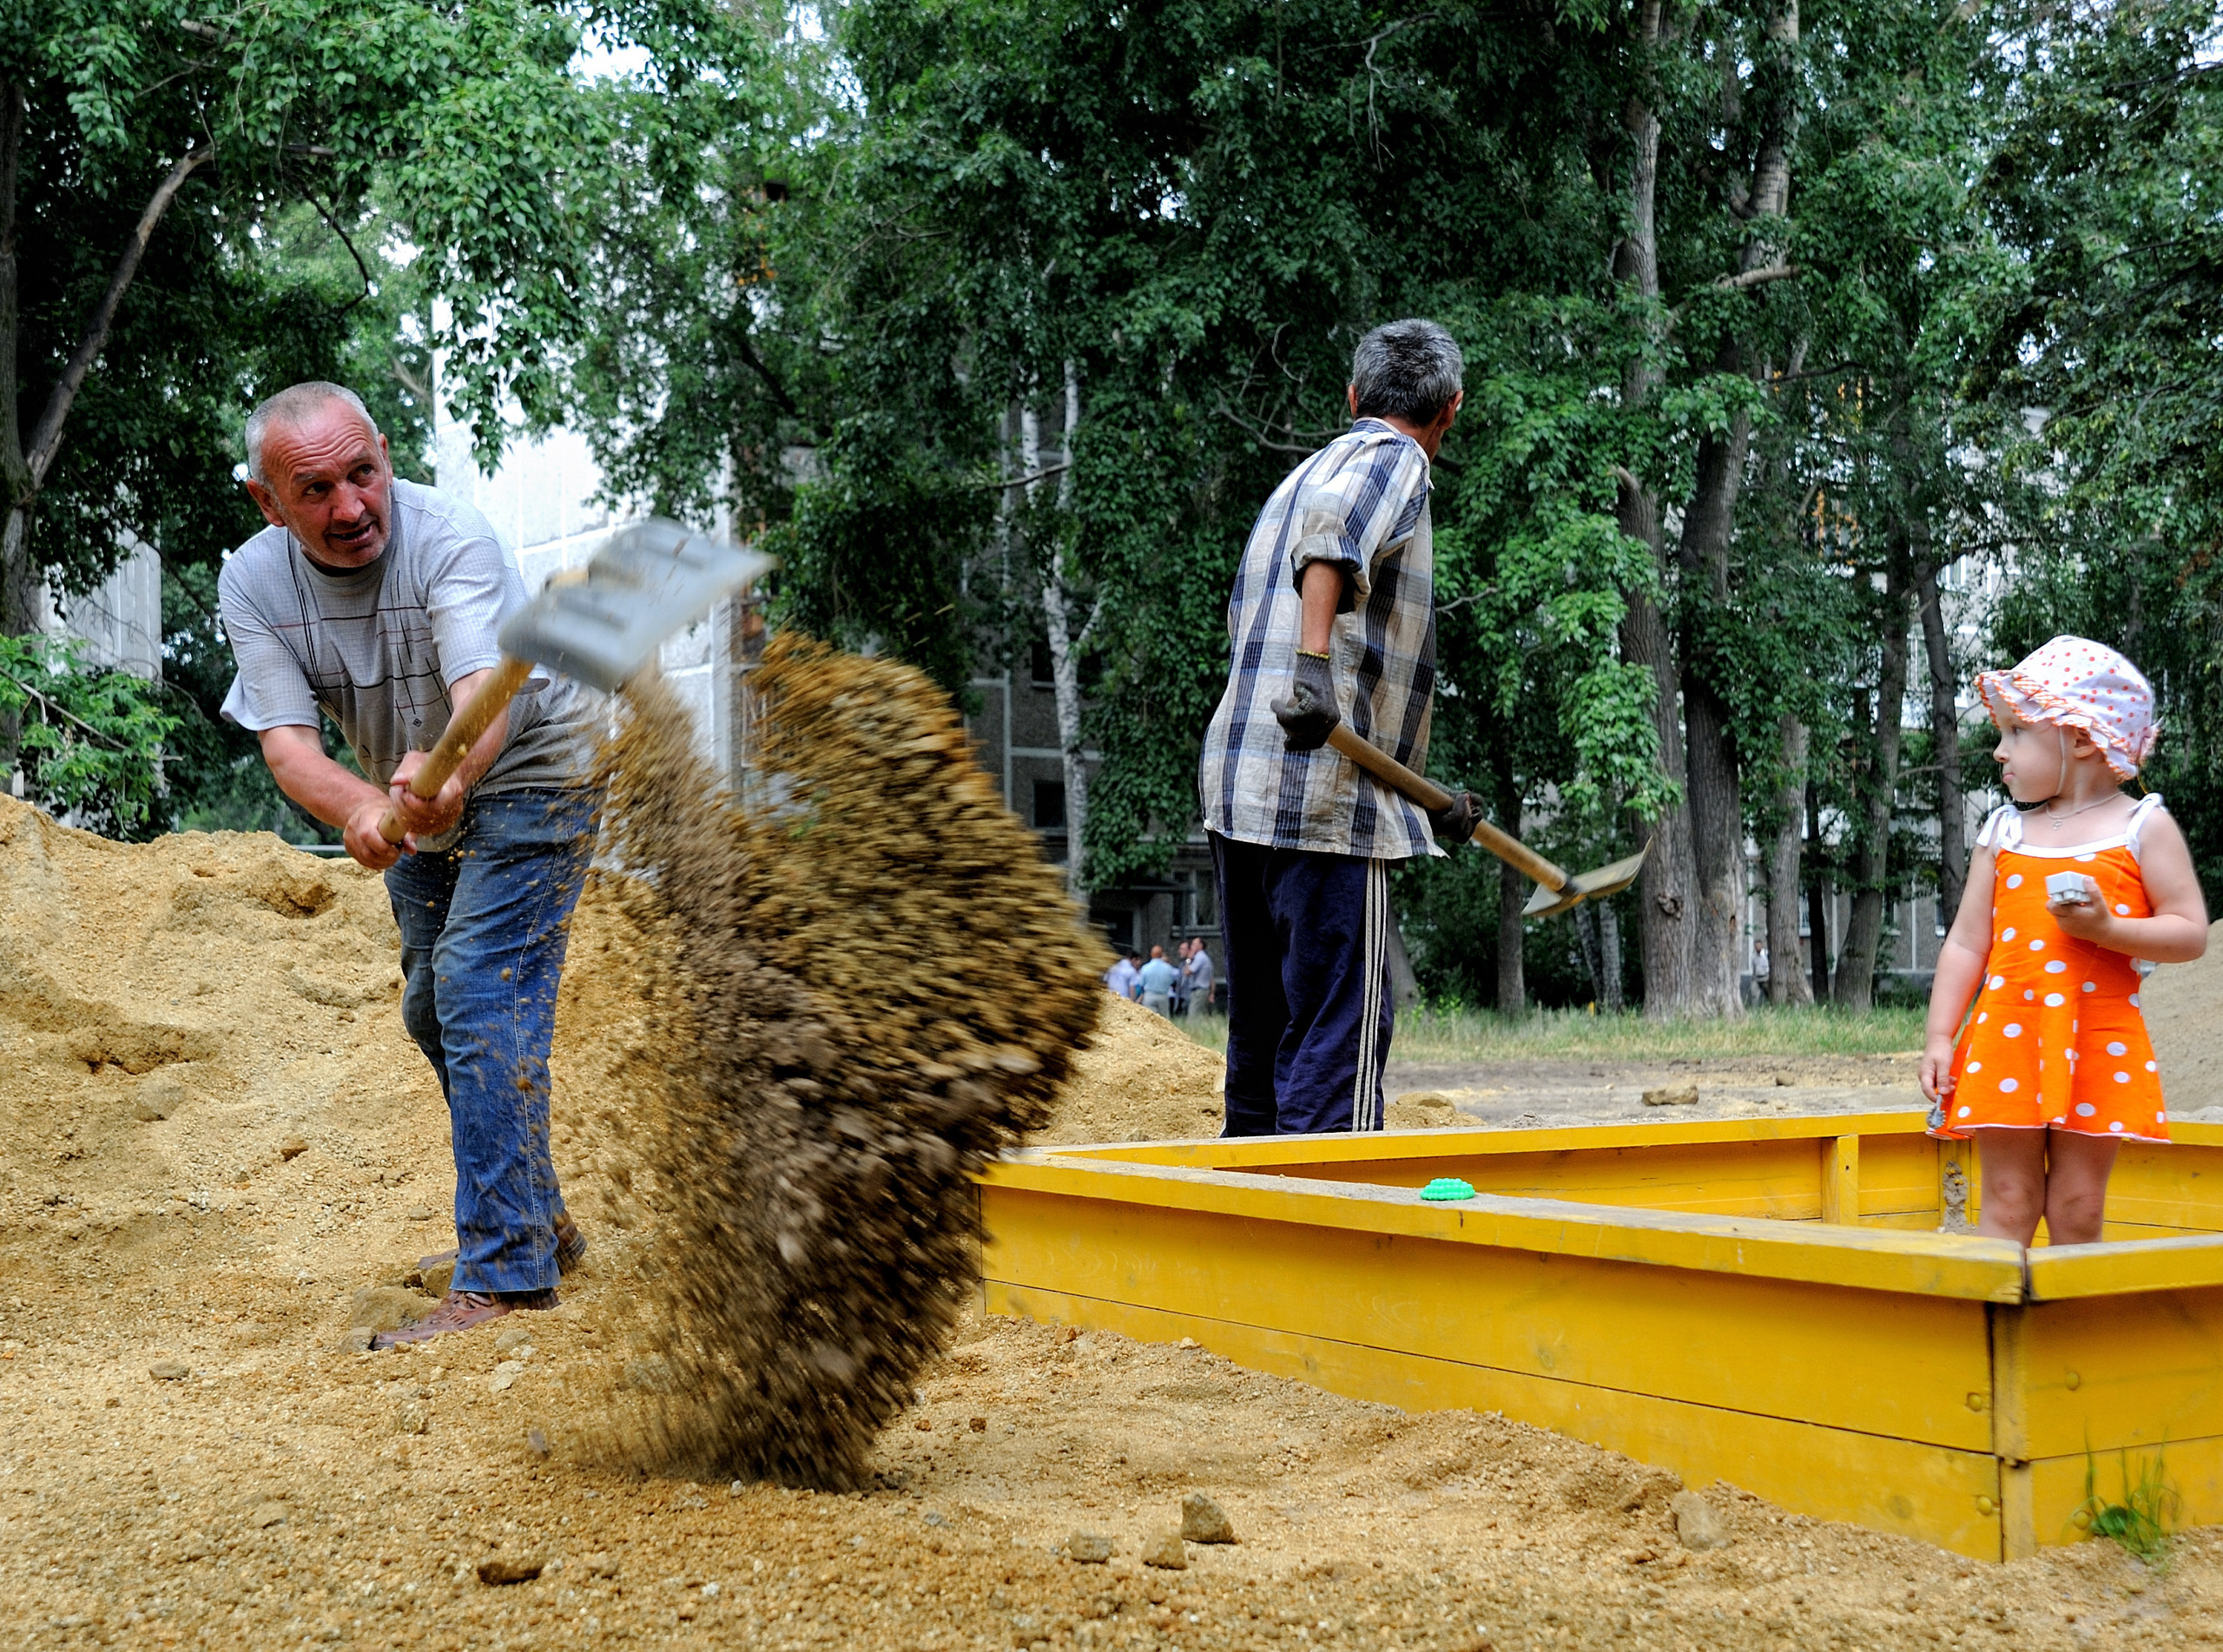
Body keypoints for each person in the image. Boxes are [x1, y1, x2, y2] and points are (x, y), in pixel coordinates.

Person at [220, 381, 602, 1344]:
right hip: (410, 790)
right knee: (432, 1006)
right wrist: (361, 807)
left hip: (538, 770)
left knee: (477, 984)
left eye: (363, 473)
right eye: (316, 490)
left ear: (386, 455)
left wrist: (454, 773)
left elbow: (481, 694)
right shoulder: (252, 585)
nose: (351, 506)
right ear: (269, 502)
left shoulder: (451, 538)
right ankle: (536, 1221)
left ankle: (507, 1272)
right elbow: (288, 747)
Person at [1196, 319, 1480, 1135]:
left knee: (1263, 1032)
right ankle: (1326, 1206)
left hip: (1242, 789)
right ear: (1451, 409)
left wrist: (1423, 801)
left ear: (1352, 394)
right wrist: (1314, 666)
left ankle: (1251, 1204)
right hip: (1322, 805)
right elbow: (1333, 539)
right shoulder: (1395, 458)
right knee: (1335, 1043)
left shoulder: (1300, 476)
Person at [1921, 636, 2208, 1247]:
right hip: (2008, 1036)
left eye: (2017, 731)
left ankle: (2069, 1309)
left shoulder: (2142, 826)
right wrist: (1941, 1036)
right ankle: (2000, 1308)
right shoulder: (2005, 831)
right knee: (2008, 1197)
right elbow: (1968, 944)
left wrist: (2108, 930)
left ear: (2079, 738)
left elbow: (2189, 932)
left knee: (2077, 1205)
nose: (1999, 750)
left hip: (2097, 1037)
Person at [1136, 944, 1181, 1018]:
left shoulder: (1145, 968)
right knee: (1164, 1019)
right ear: (1161, 955)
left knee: (1150, 1018)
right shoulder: (1168, 968)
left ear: (1151, 954)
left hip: (1149, 995)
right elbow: (1171, 982)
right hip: (1163, 996)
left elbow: (1141, 984)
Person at [1183, 938, 1217, 1021]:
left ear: (1200, 946)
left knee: (1192, 1017)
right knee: (1202, 1017)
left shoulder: (1200, 957)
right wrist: (1211, 993)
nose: (1191, 946)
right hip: (1202, 990)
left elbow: (1187, 972)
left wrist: (1188, 960)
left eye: (1194, 944)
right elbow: (1211, 978)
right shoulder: (1204, 957)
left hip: (1199, 991)